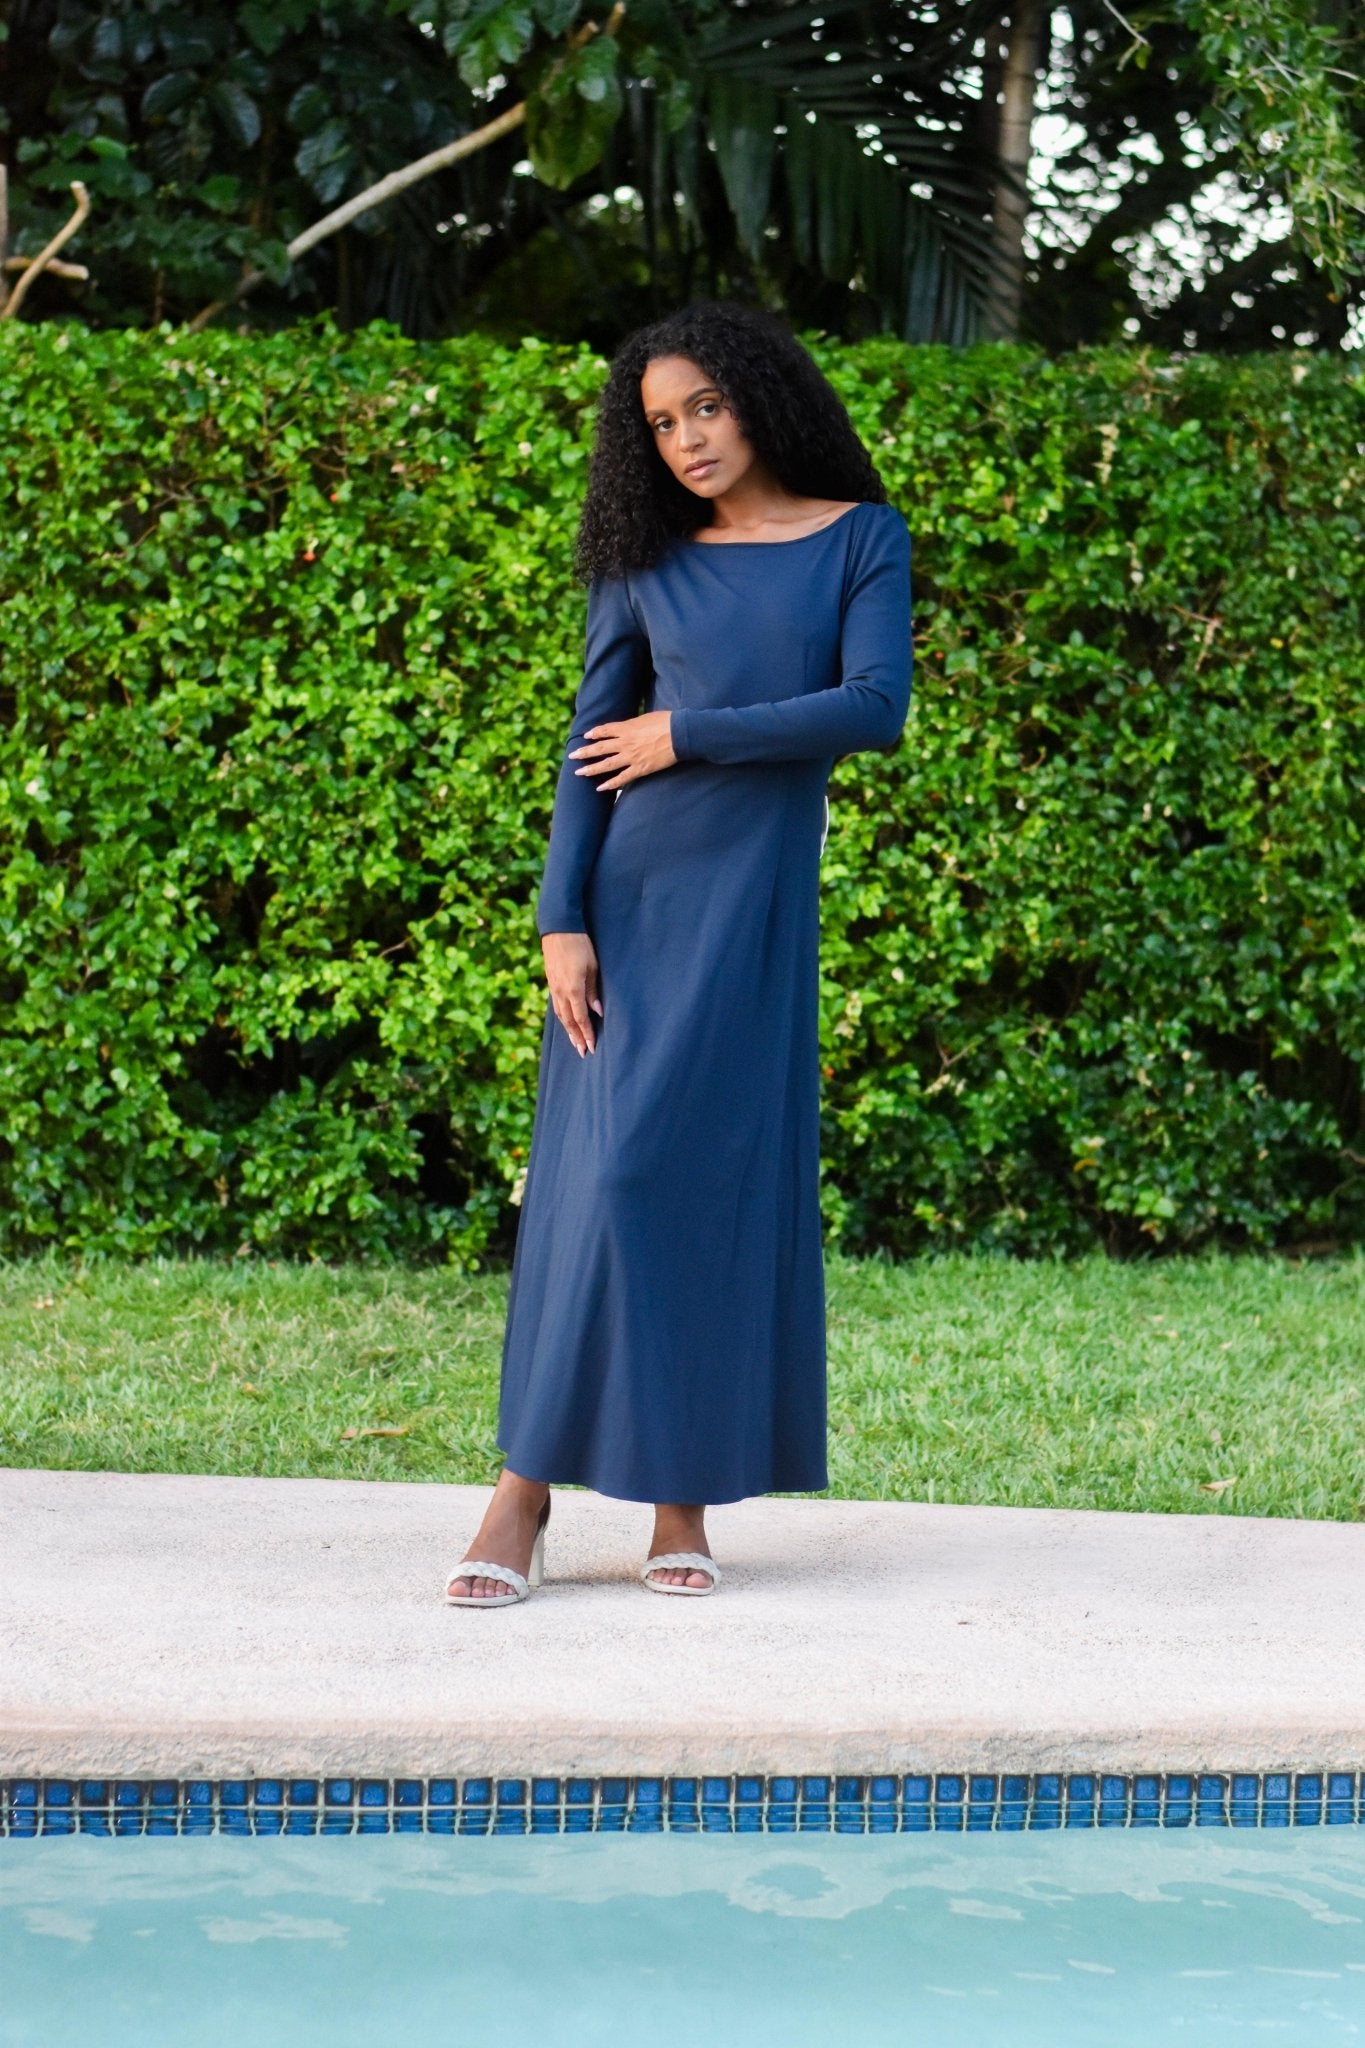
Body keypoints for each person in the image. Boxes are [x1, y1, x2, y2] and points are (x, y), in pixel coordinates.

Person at [446, 299, 912, 1608]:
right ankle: (521, 1494)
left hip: (752, 913)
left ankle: (678, 1504)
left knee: (704, 1185)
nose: (687, 439)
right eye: (660, 423)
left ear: (760, 396)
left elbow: (873, 710)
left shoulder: (861, 541)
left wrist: (689, 733)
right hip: (633, 903)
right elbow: (589, 746)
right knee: (607, 1184)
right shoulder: (645, 564)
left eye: (704, 405)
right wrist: (559, 918)